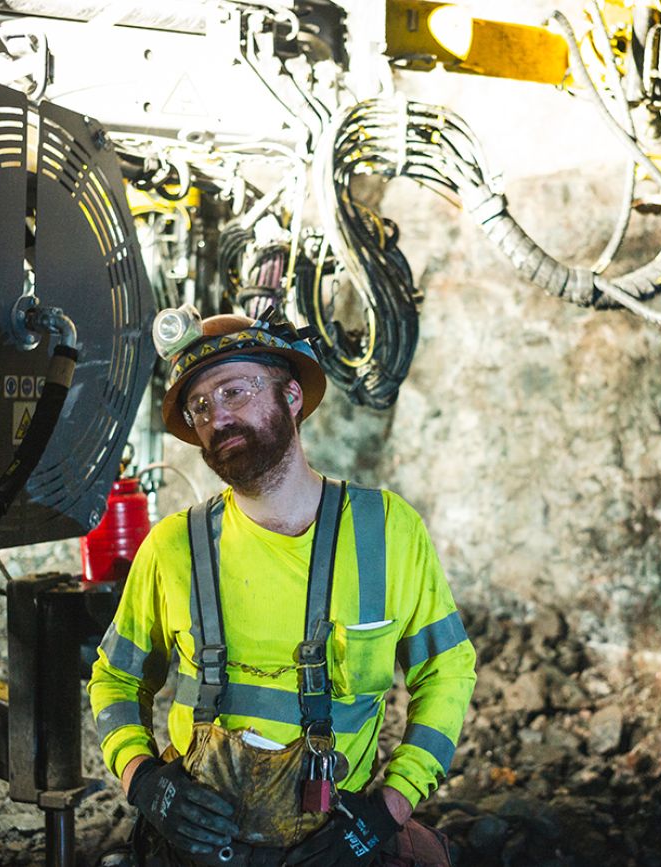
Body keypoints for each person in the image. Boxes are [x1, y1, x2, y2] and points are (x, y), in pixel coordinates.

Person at [88, 308, 476, 867]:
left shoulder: (387, 531)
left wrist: (385, 813)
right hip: (198, 842)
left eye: (234, 391)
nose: (217, 417)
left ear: (292, 397)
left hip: (335, 834)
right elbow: (115, 678)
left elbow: (448, 670)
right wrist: (144, 779)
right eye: (200, 407)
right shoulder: (173, 546)